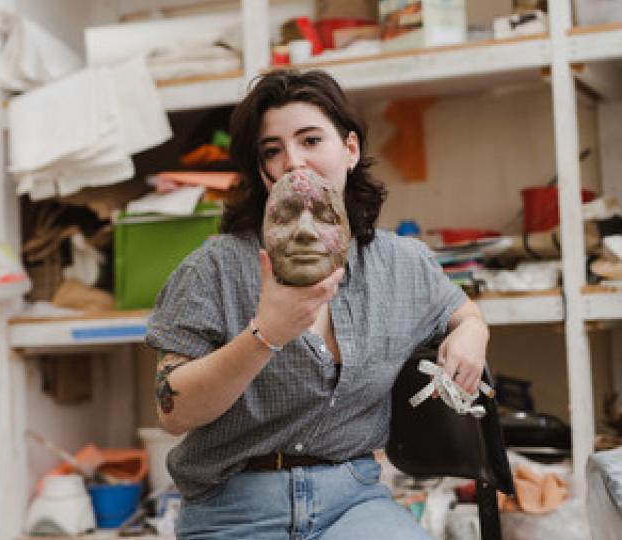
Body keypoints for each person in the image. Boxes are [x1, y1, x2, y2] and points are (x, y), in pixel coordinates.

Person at [145, 69, 489, 540]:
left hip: (353, 502)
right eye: (273, 150)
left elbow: (461, 310)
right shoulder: (214, 269)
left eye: (310, 140)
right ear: (262, 170)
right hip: (235, 509)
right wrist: (264, 335)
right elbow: (173, 412)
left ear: (349, 150)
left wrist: (473, 331)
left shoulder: (401, 264)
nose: (293, 162)